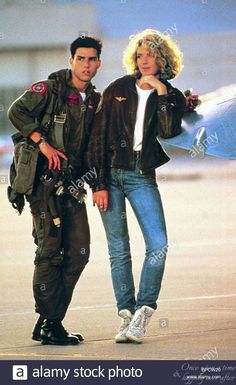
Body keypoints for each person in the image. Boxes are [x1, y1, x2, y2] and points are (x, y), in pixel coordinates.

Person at [86, 29, 187, 343]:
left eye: (151, 55)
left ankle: (144, 310)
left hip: (141, 175)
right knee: (118, 250)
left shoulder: (171, 94)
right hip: (110, 176)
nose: (144, 60)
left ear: (162, 59)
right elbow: (97, 138)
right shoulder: (118, 88)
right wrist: (98, 183)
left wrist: (161, 94)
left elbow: (169, 133)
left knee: (158, 244)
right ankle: (125, 316)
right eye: (140, 54)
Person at [8, 36, 102, 345]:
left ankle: (49, 320)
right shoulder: (48, 90)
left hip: (72, 186)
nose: (86, 65)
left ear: (98, 63)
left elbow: (94, 145)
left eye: (92, 60)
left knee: (79, 252)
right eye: (81, 59)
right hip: (43, 184)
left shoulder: (94, 101)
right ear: (71, 60)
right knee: (49, 252)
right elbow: (16, 111)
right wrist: (42, 142)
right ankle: (51, 324)